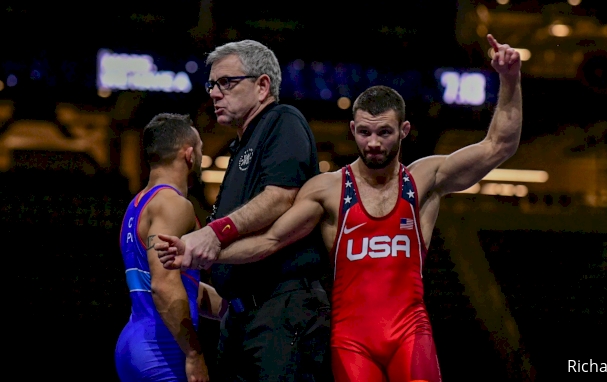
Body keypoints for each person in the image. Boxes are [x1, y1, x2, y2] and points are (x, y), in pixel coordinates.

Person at [159, 34, 522, 381]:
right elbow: (271, 241)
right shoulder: (329, 190)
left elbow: (498, 145)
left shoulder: (424, 180)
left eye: (385, 133)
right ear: (352, 130)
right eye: (365, 132)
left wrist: (509, 79)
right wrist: (201, 251)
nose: (374, 143)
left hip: (410, 333)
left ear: (405, 130)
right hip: (351, 341)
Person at [162, 40, 332, 381]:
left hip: (282, 311)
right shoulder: (241, 145)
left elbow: (281, 196)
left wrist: (214, 233)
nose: (214, 93)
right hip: (240, 318)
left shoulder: (282, 121)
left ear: (262, 85)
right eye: (212, 84)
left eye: (226, 82)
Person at [115, 113, 227, 381]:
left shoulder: (136, 206)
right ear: (188, 155)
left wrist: (230, 309)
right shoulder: (174, 204)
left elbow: (179, 283)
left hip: (135, 344)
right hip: (162, 348)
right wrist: (194, 355)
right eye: (200, 148)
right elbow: (164, 285)